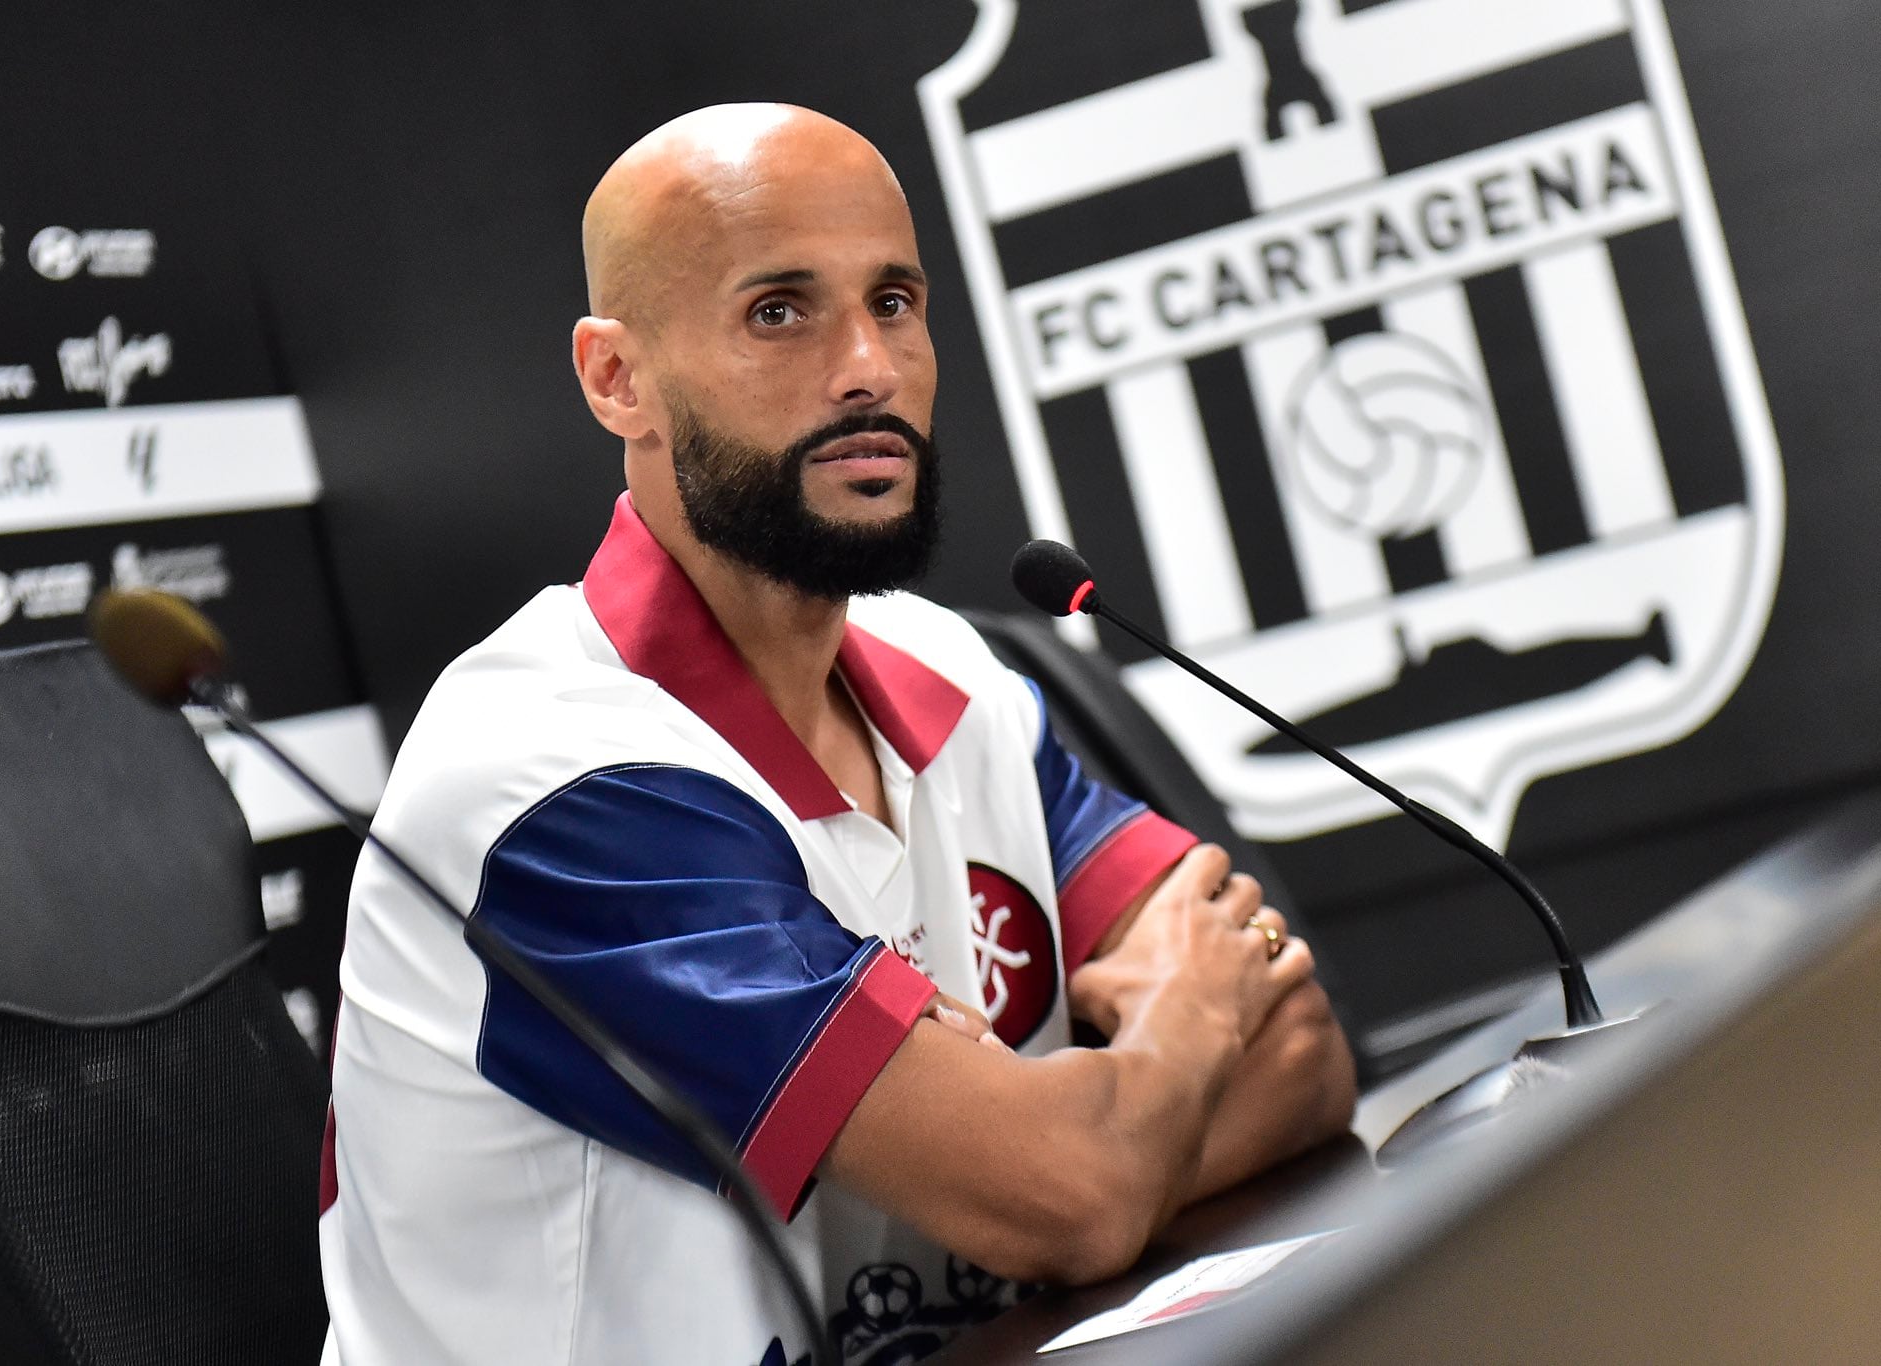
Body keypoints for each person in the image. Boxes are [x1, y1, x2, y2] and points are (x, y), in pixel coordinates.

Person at [317, 103, 1357, 1366]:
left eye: (897, 301)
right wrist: (1183, 1019)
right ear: (616, 378)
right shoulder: (552, 781)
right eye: (779, 310)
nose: (867, 365)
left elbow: (1300, 1056)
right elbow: (1068, 1195)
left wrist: (1096, 1144)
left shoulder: (950, 668)